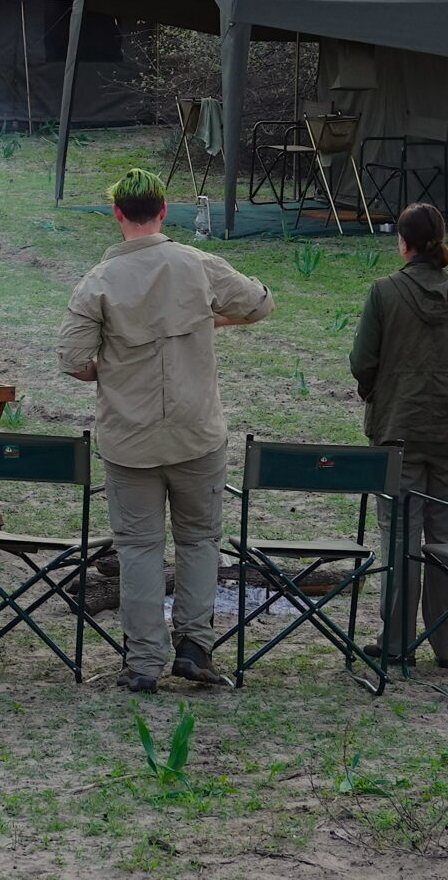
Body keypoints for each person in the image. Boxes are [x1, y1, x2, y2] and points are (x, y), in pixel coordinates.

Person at [58, 167, 273, 693]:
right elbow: (260, 303)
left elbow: (72, 358)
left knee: (138, 548)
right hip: (196, 431)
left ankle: (145, 661)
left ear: (117, 215)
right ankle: (195, 646)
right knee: (200, 540)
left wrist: (106, 367)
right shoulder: (197, 264)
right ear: (162, 211)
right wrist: (209, 319)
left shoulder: (98, 282)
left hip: (129, 439)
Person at [347, 201, 448, 671]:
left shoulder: (384, 292)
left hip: (400, 431)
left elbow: (361, 361)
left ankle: (395, 642)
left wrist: (377, 394)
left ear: (403, 243)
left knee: (401, 540)